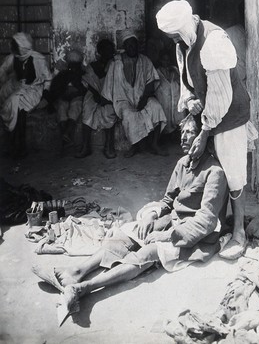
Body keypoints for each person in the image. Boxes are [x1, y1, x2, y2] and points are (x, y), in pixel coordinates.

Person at [32, 114, 229, 312]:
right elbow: (168, 201)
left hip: (195, 235)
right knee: (126, 235)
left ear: (204, 139)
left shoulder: (214, 171)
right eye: (182, 132)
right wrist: (152, 215)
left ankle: (83, 288)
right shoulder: (182, 163)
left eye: (191, 133)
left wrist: (166, 235)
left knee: (148, 252)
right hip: (172, 222)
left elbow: (206, 221)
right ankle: (77, 271)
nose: (183, 138)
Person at [156, 0, 255, 260]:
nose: (173, 40)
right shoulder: (182, 43)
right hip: (209, 113)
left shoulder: (214, 41)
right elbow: (185, 80)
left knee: (233, 173)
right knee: (212, 169)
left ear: (184, 26)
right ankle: (215, 221)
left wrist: (204, 132)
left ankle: (239, 233)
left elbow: (221, 96)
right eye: (171, 37)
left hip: (230, 115)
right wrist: (190, 100)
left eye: (175, 35)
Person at [101, 29, 167, 157]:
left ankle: (155, 144)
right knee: (129, 114)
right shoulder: (116, 62)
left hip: (142, 96)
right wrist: (107, 99)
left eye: (133, 44)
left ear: (138, 45)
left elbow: (151, 81)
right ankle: (134, 146)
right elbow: (109, 83)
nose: (131, 47)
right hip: (122, 99)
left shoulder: (145, 61)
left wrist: (144, 98)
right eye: (128, 45)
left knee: (156, 107)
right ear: (124, 47)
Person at [0, 32, 52, 158]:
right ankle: (13, 144)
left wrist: (44, 97)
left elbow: (48, 79)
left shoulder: (38, 59)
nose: (13, 48)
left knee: (18, 106)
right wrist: (5, 81)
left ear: (23, 46)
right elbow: (2, 70)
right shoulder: (13, 58)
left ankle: (20, 145)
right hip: (19, 87)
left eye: (16, 45)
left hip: (34, 89)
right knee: (11, 103)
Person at [76, 39, 117, 159]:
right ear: (99, 52)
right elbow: (89, 83)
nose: (108, 53)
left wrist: (106, 97)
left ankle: (109, 146)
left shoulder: (115, 65)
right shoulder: (92, 66)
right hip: (94, 92)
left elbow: (117, 84)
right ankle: (86, 146)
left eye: (110, 51)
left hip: (110, 93)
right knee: (87, 110)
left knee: (109, 111)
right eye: (105, 51)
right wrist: (96, 95)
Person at [48, 49, 86, 151]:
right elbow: (54, 89)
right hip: (64, 98)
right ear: (68, 64)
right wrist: (63, 93)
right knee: (61, 107)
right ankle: (66, 136)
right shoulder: (62, 75)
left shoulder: (83, 74)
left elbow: (85, 90)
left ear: (79, 64)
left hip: (77, 97)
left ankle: (66, 133)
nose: (73, 68)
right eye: (71, 65)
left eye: (75, 65)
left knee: (76, 106)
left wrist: (76, 90)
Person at [155, 49, 185, 135]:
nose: (166, 62)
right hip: (164, 100)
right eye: (164, 60)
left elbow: (181, 83)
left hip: (174, 99)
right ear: (160, 60)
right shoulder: (157, 72)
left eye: (168, 60)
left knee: (178, 115)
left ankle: (177, 132)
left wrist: (175, 73)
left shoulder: (174, 70)